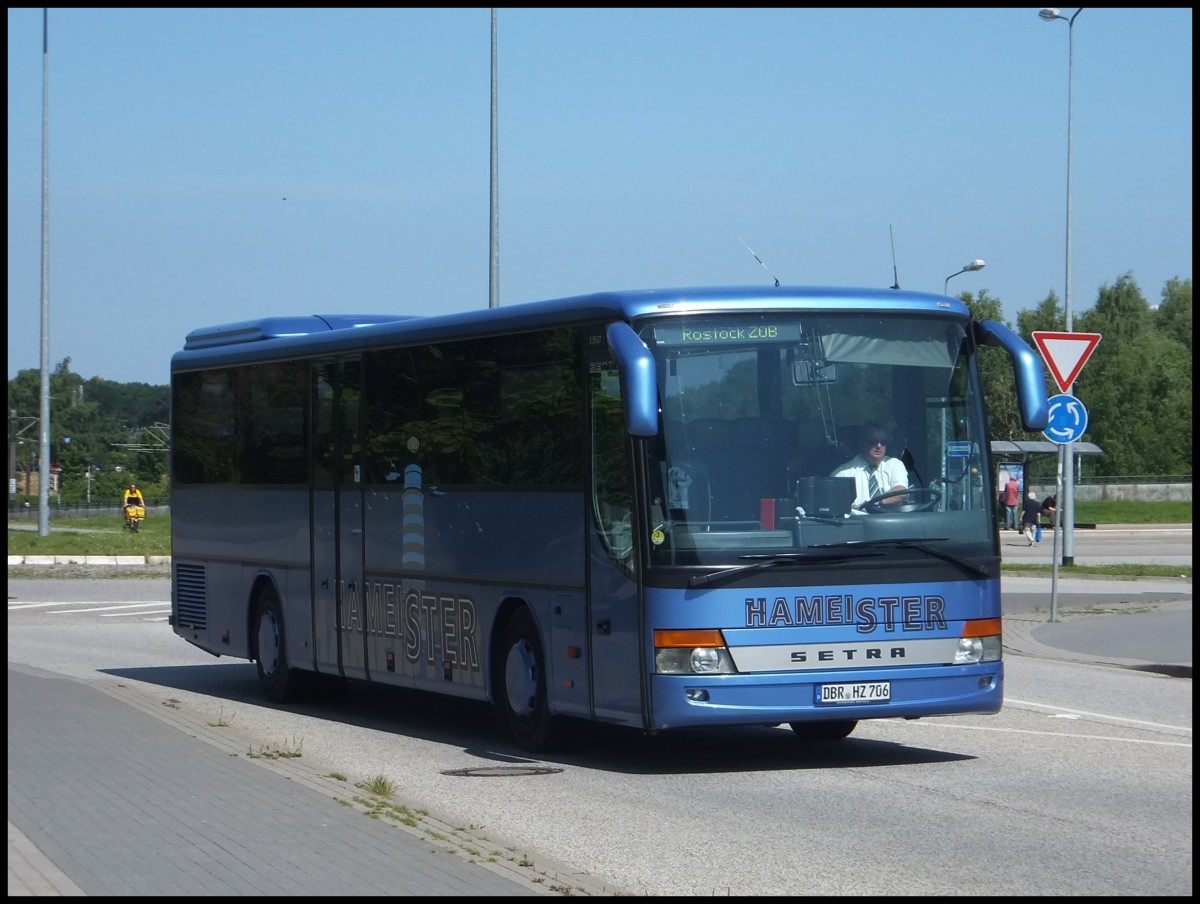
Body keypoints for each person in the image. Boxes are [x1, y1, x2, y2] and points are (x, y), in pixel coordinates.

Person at [831, 423, 909, 510]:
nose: (879, 446)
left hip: (891, 517)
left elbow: (902, 493)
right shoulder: (842, 474)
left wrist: (877, 503)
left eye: (883, 442)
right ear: (861, 443)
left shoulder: (894, 464)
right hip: (858, 518)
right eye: (873, 442)